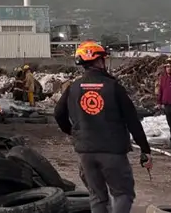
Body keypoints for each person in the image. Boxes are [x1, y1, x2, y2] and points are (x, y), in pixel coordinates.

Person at [55, 41, 152, 213]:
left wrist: (73, 132)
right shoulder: (113, 87)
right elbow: (132, 121)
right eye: (103, 59)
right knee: (123, 194)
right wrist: (145, 150)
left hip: (85, 152)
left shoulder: (73, 87)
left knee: (97, 197)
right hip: (112, 151)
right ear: (99, 61)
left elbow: (58, 114)